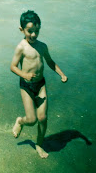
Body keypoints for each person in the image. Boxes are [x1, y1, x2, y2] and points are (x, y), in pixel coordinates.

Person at [10, 10, 68, 158]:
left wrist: (61, 74)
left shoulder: (42, 46)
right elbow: (13, 66)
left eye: (37, 31)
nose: (34, 34)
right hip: (26, 86)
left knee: (42, 118)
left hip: (40, 85)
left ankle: (39, 144)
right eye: (30, 31)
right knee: (31, 120)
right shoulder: (21, 47)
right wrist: (25, 75)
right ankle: (20, 121)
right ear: (22, 29)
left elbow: (50, 62)